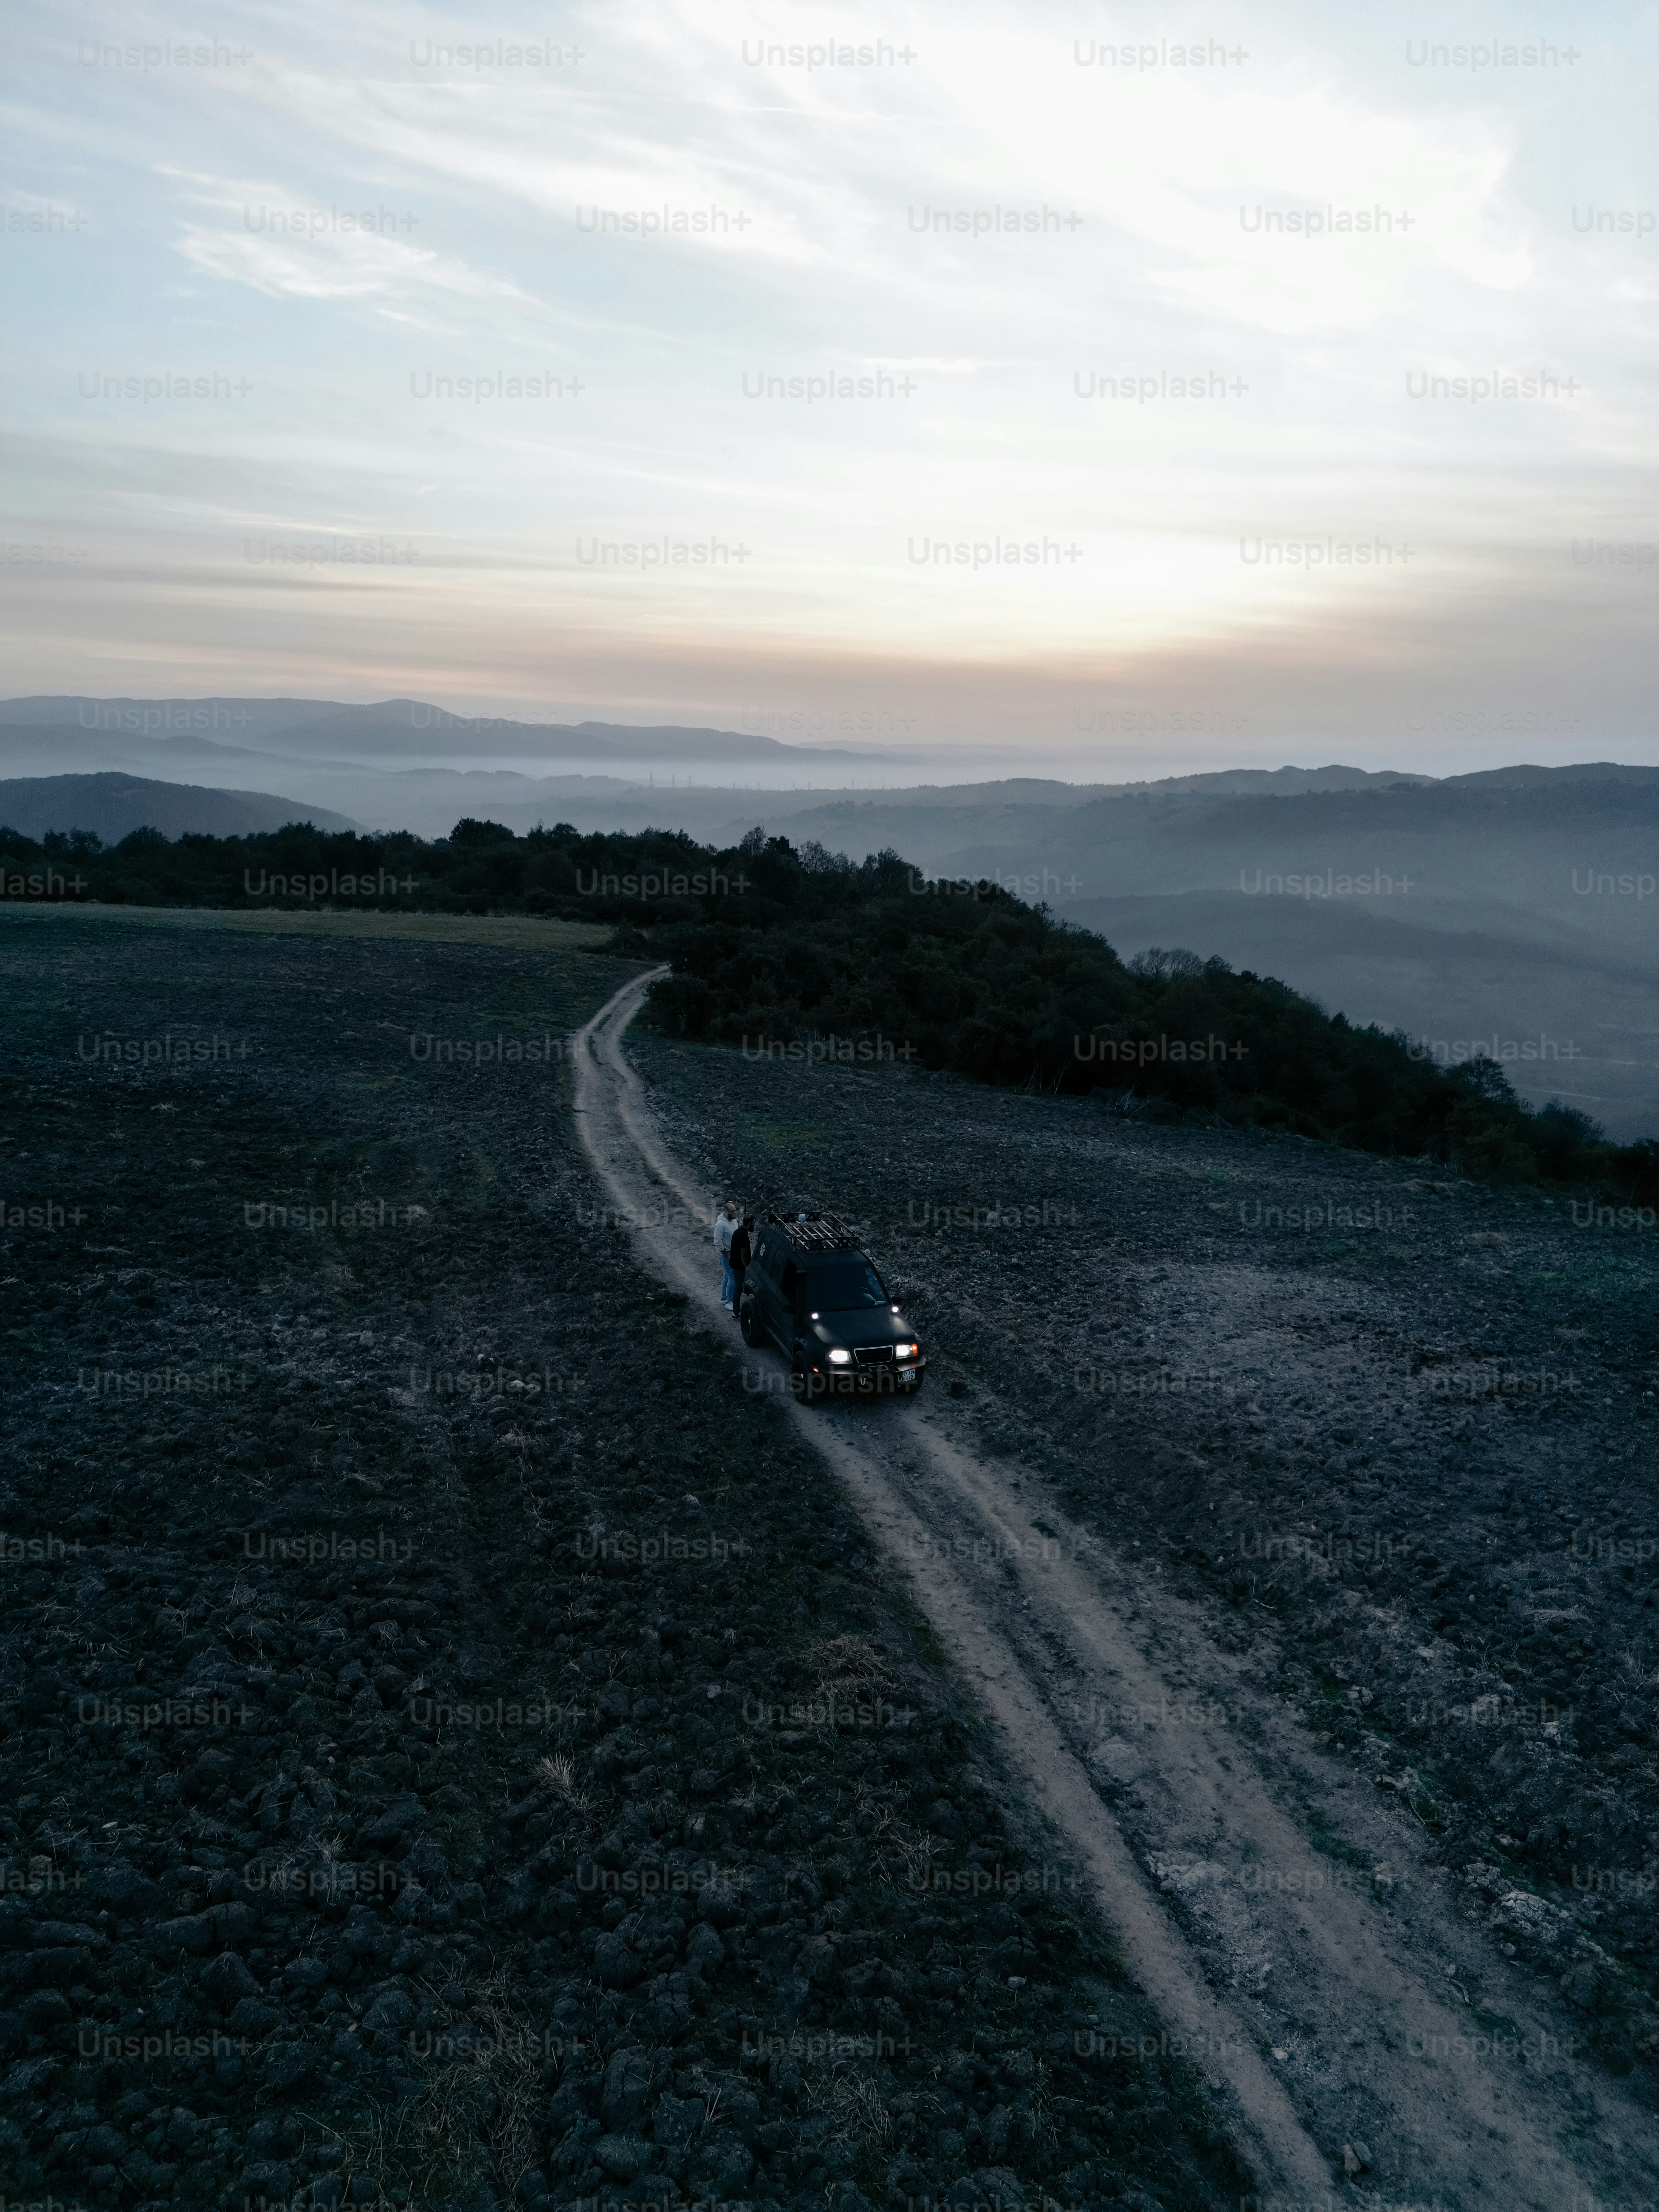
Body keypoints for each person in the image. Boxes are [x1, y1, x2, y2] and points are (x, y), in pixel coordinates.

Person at [729, 1214, 754, 1322]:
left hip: (736, 1266)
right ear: (749, 1224)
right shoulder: (743, 1235)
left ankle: (737, 1311)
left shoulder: (739, 1232)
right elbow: (744, 1255)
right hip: (740, 1268)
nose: (754, 1225)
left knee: (738, 1288)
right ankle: (736, 1312)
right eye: (753, 1223)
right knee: (738, 1289)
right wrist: (747, 1269)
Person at [715, 1200, 739, 1310]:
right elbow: (717, 1242)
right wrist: (725, 1254)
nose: (735, 1213)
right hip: (726, 1256)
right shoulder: (720, 1225)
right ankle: (730, 1302)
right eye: (733, 1212)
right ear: (726, 1213)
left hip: (732, 1254)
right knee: (732, 1278)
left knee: (727, 1276)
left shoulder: (734, 1221)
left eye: (735, 1211)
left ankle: (725, 1296)